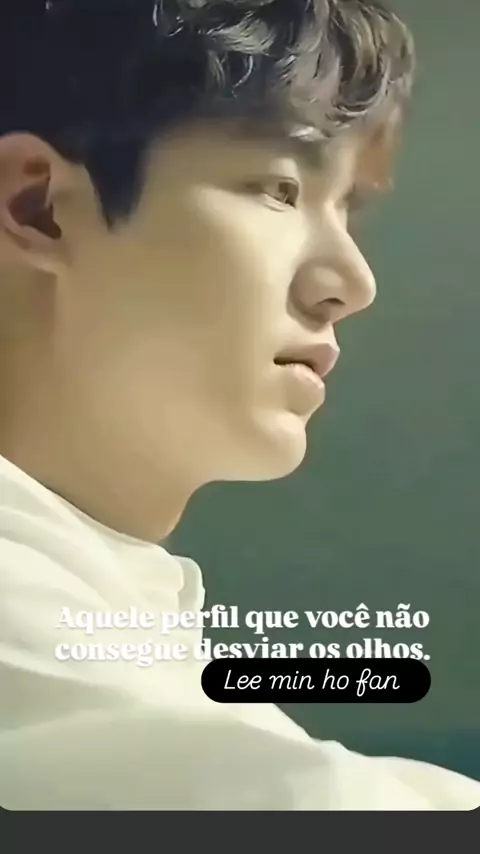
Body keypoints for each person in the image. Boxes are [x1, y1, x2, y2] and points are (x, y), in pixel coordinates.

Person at [0, 0, 478, 811]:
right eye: (282, 189)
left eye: (347, 208)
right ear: (38, 206)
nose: (352, 283)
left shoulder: (127, 620)